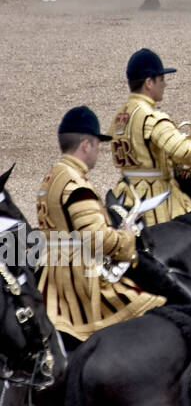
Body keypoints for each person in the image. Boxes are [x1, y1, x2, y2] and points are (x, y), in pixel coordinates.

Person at [36, 106, 167, 343]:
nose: (98, 152)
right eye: (97, 144)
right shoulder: (76, 186)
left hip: (50, 276)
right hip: (79, 282)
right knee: (156, 309)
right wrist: (127, 236)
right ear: (86, 145)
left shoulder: (51, 178)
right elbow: (97, 239)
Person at [107, 48, 191, 225]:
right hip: (155, 199)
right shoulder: (150, 117)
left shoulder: (119, 117)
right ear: (149, 83)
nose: (164, 85)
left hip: (125, 193)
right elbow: (185, 152)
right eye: (161, 80)